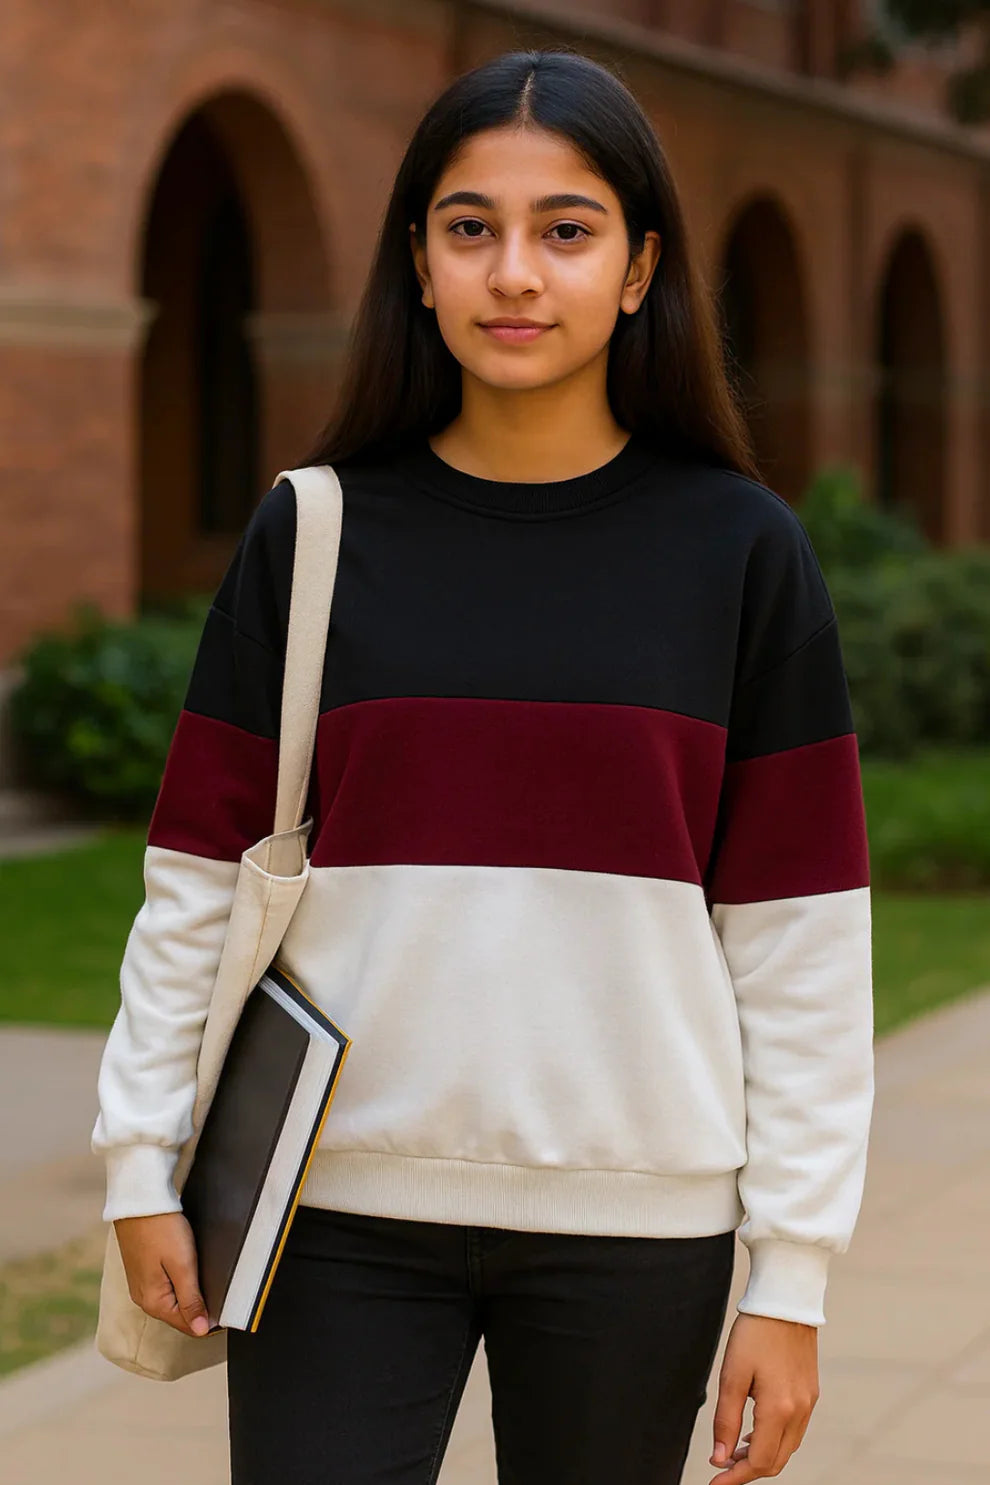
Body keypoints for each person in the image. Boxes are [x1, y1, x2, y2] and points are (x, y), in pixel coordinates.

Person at [92, 46, 874, 1485]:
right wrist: (140, 1158)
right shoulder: (312, 531)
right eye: (472, 228)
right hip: (331, 1211)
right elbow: (194, 877)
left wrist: (792, 1272)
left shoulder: (740, 551)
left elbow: (798, 941)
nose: (515, 271)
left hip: (638, 1223)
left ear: (639, 269)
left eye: (564, 230)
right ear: (420, 262)